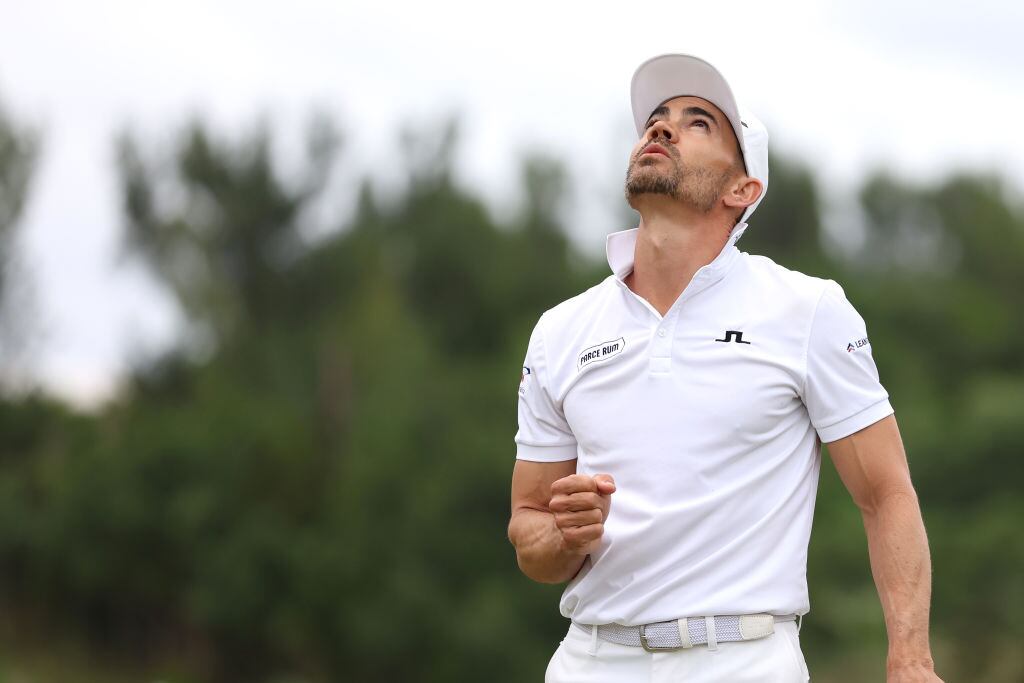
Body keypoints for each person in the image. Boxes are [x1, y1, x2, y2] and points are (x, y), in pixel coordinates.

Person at [507, 54, 942, 683]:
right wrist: (563, 537)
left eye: (698, 122)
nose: (660, 128)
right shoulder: (559, 331)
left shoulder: (807, 309)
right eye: (655, 119)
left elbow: (886, 494)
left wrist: (911, 658)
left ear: (743, 190)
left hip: (744, 660)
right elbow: (530, 529)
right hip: (590, 660)